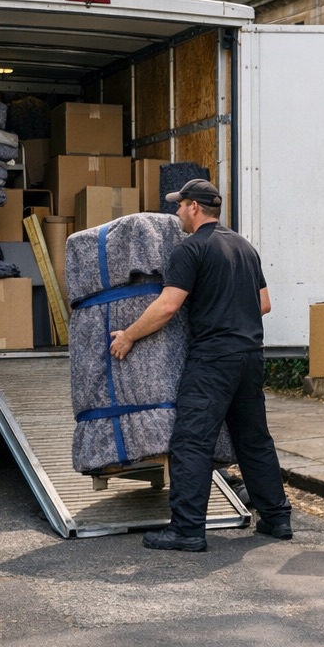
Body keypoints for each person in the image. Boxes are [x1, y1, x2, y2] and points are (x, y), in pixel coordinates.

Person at [109, 178, 294, 552]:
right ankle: (276, 519)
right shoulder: (244, 246)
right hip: (249, 356)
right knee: (254, 440)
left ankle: (187, 530)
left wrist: (128, 335)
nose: (177, 211)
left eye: (180, 205)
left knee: (191, 441)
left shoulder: (189, 249)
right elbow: (264, 304)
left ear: (195, 207)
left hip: (213, 359)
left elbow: (168, 306)